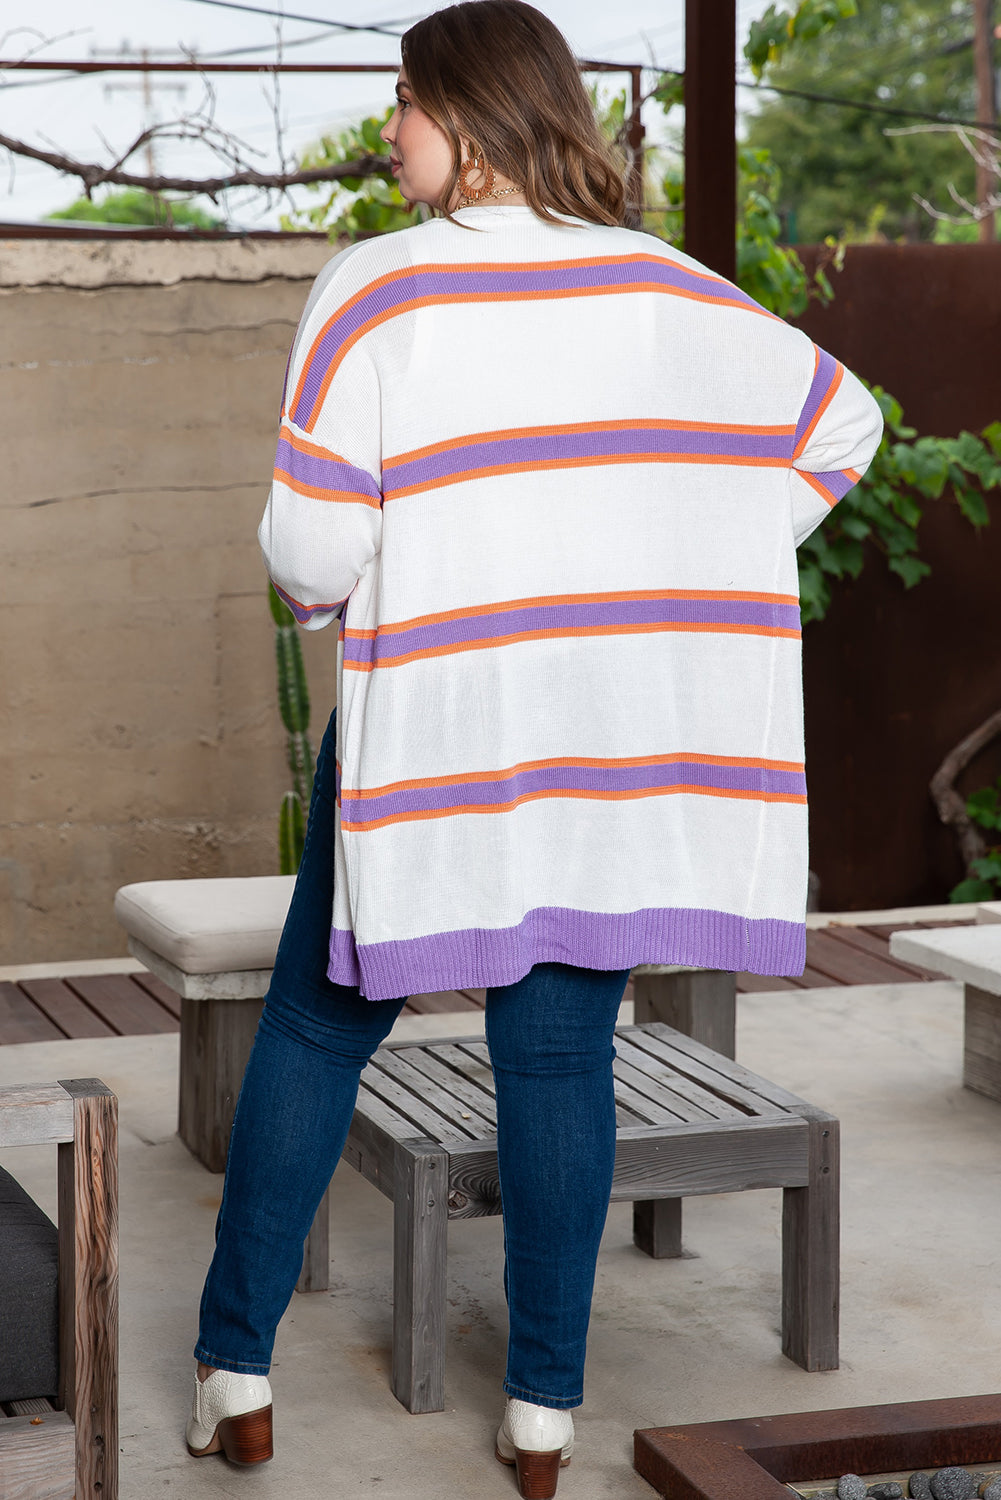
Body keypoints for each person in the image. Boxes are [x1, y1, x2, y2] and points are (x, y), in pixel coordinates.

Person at [185, 3, 883, 1495]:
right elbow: (844, 427)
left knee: (315, 1029)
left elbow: (310, 552)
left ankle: (234, 1377)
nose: (390, 130)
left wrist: (371, 573)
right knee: (560, 1059)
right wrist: (692, 555)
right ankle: (543, 1420)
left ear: (467, 115)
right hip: (608, 743)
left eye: (404, 101)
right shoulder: (676, 292)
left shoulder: (377, 288)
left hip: (434, 734)